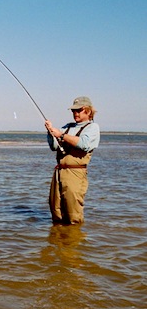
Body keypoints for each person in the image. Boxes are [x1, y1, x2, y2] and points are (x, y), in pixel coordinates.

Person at [44, 96, 100, 224]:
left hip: (75, 174)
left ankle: (74, 240)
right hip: (59, 173)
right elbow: (53, 147)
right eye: (73, 111)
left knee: (72, 213)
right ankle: (57, 241)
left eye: (78, 110)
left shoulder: (93, 128)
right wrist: (50, 132)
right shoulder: (67, 127)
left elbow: (84, 144)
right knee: (55, 210)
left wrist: (61, 135)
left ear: (88, 111)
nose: (75, 113)